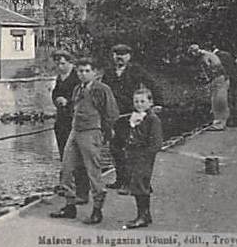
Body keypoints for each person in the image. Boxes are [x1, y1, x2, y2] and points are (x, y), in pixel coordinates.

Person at [50, 57, 119, 225]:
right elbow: (74, 109)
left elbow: (112, 113)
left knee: (93, 172)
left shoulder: (102, 89)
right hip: (75, 132)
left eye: (87, 71)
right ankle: (70, 205)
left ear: (95, 73)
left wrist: (104, 131)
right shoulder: (77, 89)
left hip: (91, 133)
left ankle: (97, 210)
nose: (83, 74)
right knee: (66, 169)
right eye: (80, 71)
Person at [102, 44, 162, 193]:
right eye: (116, 54)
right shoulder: (109, 73)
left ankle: (132, 183)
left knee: (130, 148)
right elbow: (102, 92)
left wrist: (157, 104)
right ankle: (121, 179)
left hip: (132, 114)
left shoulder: (136, 70)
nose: (119, 57)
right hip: (114, 115)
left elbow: (153, 85)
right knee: (115, 148)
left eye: (123, 54)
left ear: (129, 56)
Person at [50, 49, 89, 204]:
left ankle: (81, 191)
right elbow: (54, 93)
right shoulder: (60, 78)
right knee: (64, 156)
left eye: (63, 63)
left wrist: (68, 102)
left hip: (74, 122)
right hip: (61, 121)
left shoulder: (76, 77)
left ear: (70, 63)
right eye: (58, 63)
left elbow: (82, 99)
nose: (60, 66)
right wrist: (57, 99)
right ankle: (66, 186)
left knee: (78, 157)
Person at [122, 88, 163, 230]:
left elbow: (157, 143)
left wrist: (145, 154)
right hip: (133, 155)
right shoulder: (136, 116)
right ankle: (146, 214)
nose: (139, 104)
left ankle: (142, 217)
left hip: (144, 156)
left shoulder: (152, 119)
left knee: (140, 183)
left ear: (150, 102)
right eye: (136, 101)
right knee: (138, 182)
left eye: (142, 101)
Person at [188, 44, 229, 131]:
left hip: (217, 79)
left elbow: (210, 70)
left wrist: (206, 80)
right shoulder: (208, 54)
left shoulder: (204, 57)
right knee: (218, 100)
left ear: (195, 52)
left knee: (217, 101)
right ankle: (220, 122)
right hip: (221, 78)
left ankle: (219, 124)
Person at [213, 44, 237, 127]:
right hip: (235, 79)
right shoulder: (226, 54)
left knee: (229, 100)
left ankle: (231, 120)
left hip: (228, 80)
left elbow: (222, 69)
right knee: (235, 99)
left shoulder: (217, 57)